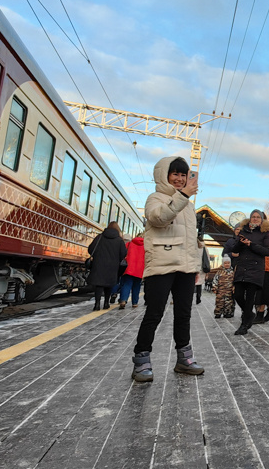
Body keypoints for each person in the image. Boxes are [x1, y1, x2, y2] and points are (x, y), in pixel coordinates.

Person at [131, 156, 204, 382]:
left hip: (185, 267)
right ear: (164, 175)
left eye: (184, 175)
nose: (180, 179)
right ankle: (141, 360)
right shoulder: (155, 198)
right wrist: (182, 196)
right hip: (162, 265)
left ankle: (184, 358)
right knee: (154, 313)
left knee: (184, 314)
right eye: (175, 174)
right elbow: (158, 218)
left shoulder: (189, 206)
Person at [229, 210, 269, 335]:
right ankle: (250, 314)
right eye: (253, 217)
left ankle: (244, 325)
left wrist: (251, 244)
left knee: (249, 298)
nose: (255, 219)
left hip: (255, 268)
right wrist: (241, 243)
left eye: (258, 217)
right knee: (237, 295)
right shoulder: (244, 230)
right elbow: (235, 249)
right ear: (250, 218)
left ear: (261, 219)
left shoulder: (265, 233)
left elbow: (268, 251)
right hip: (242, 266)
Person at [87, 221, 127, 311]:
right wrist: (117, 259)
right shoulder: (119, 240)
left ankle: (97, 304)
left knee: (98, 284)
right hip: (112, 265)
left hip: (99, 264)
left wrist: (97, 257)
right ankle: (106, 303)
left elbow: (91, 249)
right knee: (108, 285)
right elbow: (123, 253)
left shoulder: (100, 237)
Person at [117, 231, 145, 309]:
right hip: (140, 269)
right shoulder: (145, 246)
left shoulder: (129, 244)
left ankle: (123, 300)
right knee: (137, 286)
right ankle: (135, 303)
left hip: (129, 268)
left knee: (126, 284)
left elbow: (123, 254)